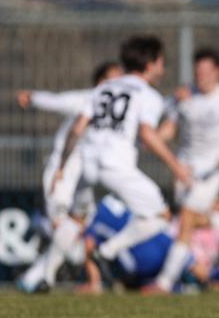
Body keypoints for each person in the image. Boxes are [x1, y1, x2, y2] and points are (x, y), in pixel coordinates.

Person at [52, 35, 191, 282]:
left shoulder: (103, 88)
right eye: (161, 63)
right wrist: (176, 166)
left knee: (75, 219)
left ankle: (42, 276)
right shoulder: (148, 94)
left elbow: (77, 128)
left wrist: (62, 167)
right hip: (115, 165)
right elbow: (147, 134)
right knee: (160, 217)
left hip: (87, 163)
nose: (163, 69)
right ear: (151, 64)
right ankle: (107, 251)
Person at [146, 48, 219, 294]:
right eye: (198, 72)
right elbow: (169, 129)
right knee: (186, 221)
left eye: (206, 72)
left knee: (186, 219)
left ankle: (164, 282)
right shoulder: (184, 97)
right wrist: (152, 141)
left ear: (218, 72)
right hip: (184, 169)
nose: (201, 77)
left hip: (212, 171)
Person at [15, 61, 122, 292]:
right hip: (62, 170)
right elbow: (56, 101)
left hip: (86, 177)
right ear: (101, 82)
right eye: (114, 78)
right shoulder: (85, 99)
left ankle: (36, 278)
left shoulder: (121, 107)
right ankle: (41, 277)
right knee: (62, 226)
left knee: (74, 228)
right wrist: (32, 97)